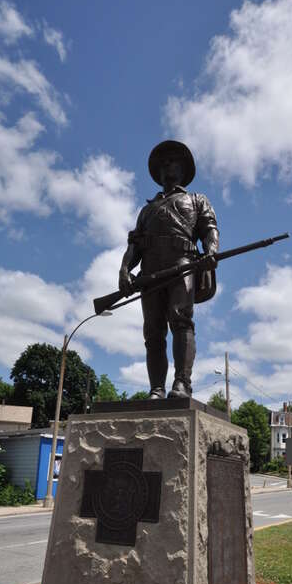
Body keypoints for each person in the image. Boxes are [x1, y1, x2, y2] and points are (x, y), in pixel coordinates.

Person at [118, 141, 219, 399]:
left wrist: (211, 251)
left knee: (180, 318)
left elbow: (209, 230)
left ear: (183, 168)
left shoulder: (197, 200)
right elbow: (135, 246)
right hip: (150, 273)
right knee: (153, 331)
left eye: (172, 161)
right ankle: (157, 389)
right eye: (162, 163)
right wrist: (125, 269)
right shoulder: (146, 210)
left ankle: (182, 383)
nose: (166, 166)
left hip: (181, 265)